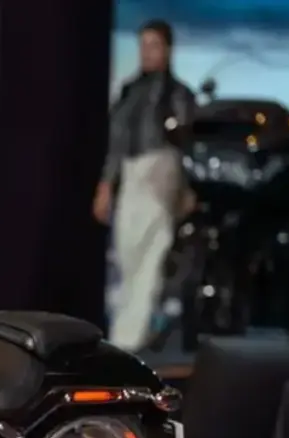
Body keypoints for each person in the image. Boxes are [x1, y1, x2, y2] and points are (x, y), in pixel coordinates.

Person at [94, 19, 196, 352]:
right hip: (131, 175)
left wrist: (185, 187)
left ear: (168, 49)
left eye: (154, 45)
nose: (147, 52)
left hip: (161, 173)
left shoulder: (179, 95)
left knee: (152, 254)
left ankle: (130, 337)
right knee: (126, 252)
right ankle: (127, 329)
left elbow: (185, 145)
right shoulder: (128, 91)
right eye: (143, 45)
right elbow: (115, 144)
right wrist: (106, 185)